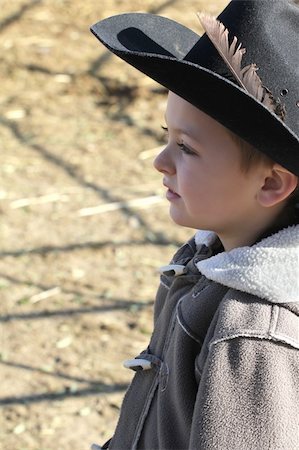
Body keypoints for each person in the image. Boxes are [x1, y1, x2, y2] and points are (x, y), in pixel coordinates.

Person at [90, 1, 299, 449]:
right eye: (166, 136)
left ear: (271, 183)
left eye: (186, 148)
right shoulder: (208, 258)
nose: (160, 161)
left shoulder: (255, 334)